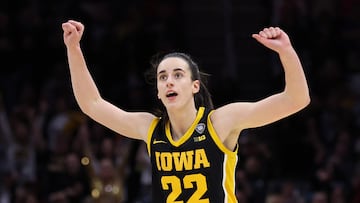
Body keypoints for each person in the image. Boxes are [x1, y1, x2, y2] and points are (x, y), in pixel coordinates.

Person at [62, 19, 310, 203]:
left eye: (177, 75)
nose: (169, 81)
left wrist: (286, 52)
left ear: (194, 86)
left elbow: (296, 100)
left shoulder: (220, 122)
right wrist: (73, 48)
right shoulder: (150, 129)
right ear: (158, 92)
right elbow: (92, 104)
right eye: (163, 77)